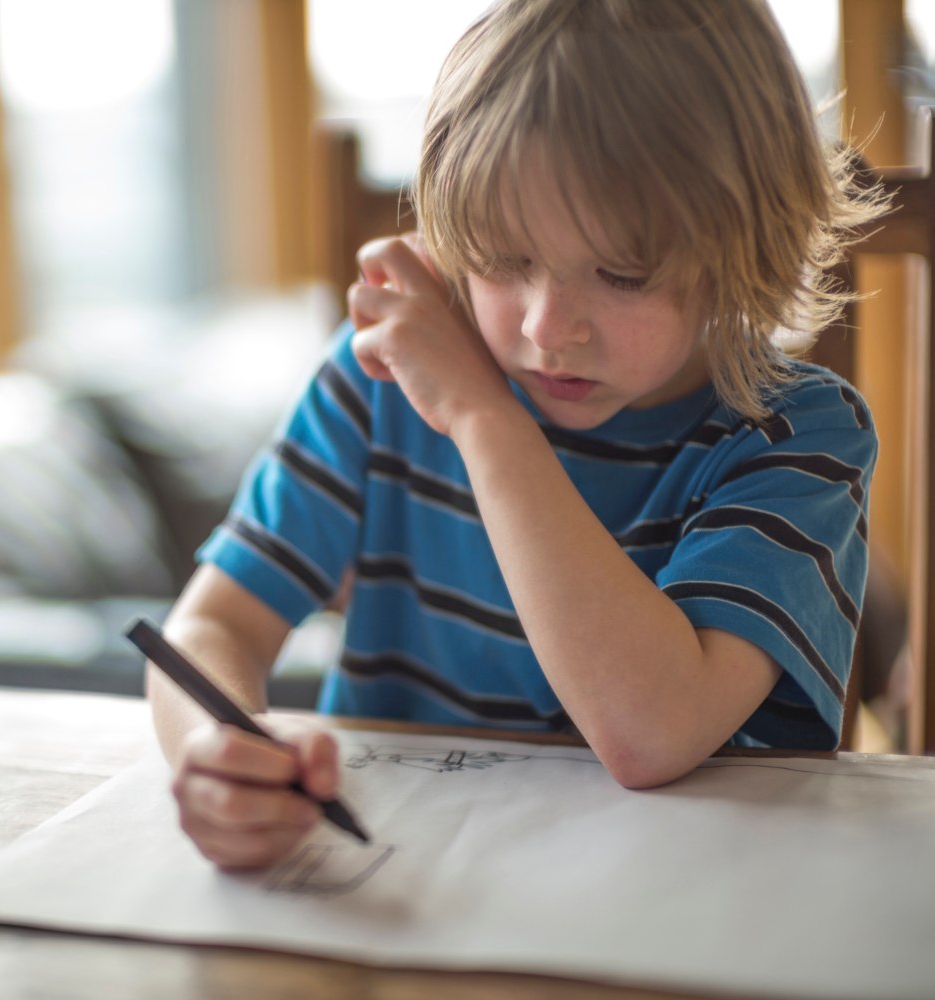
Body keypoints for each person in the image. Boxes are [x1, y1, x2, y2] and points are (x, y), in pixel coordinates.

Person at [146, 0, 888, 870]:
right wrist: (217, 751)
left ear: (747, 245)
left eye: (622, 273)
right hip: (407, 887)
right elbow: (212, 628)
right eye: (501, 259)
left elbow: (650, 734)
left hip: (691, 901)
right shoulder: (382, 382)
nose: (547, 327)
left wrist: (483, 419)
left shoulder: (795, 433)